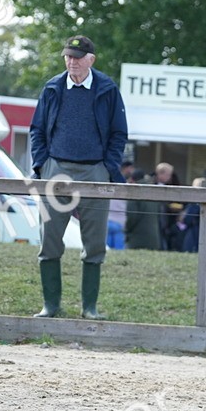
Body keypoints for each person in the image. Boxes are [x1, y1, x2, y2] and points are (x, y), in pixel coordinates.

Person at [29, 35, 128, 319]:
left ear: (91, 60)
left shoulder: (108, 89)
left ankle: (90, 308)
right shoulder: (52, 87)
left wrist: (108, 168)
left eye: (77, 57)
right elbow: (36, 130)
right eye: (68, 57)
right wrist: (42, 164)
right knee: (49, 240)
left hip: (95, 170)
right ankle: (51, 305)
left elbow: (119, 133)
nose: (72, 62)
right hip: (56, 169)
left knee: (95, 242)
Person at [124, 169, 163, 250]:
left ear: (132, 179)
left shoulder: (134, 191)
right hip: (154, 240)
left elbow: (132, 216)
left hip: (137, 240)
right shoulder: (154, 191)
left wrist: (126, 230)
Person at [154, 162, 186, 250]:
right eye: (168, 174)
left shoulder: (171, 185)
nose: (169, 177)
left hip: (167, 221)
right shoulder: (151, 184)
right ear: (160, 174)